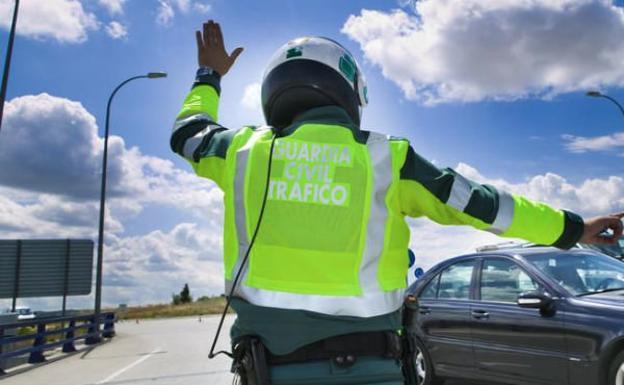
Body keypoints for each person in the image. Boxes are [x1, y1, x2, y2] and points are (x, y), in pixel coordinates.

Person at [170, 20, 624, 385]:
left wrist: (208, 76)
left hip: (270, 368)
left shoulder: (241, 153)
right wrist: (573, 228)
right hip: (374, 367)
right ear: (350, 94)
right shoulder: (389, 159)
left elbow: (188, 132)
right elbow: (485, 205)